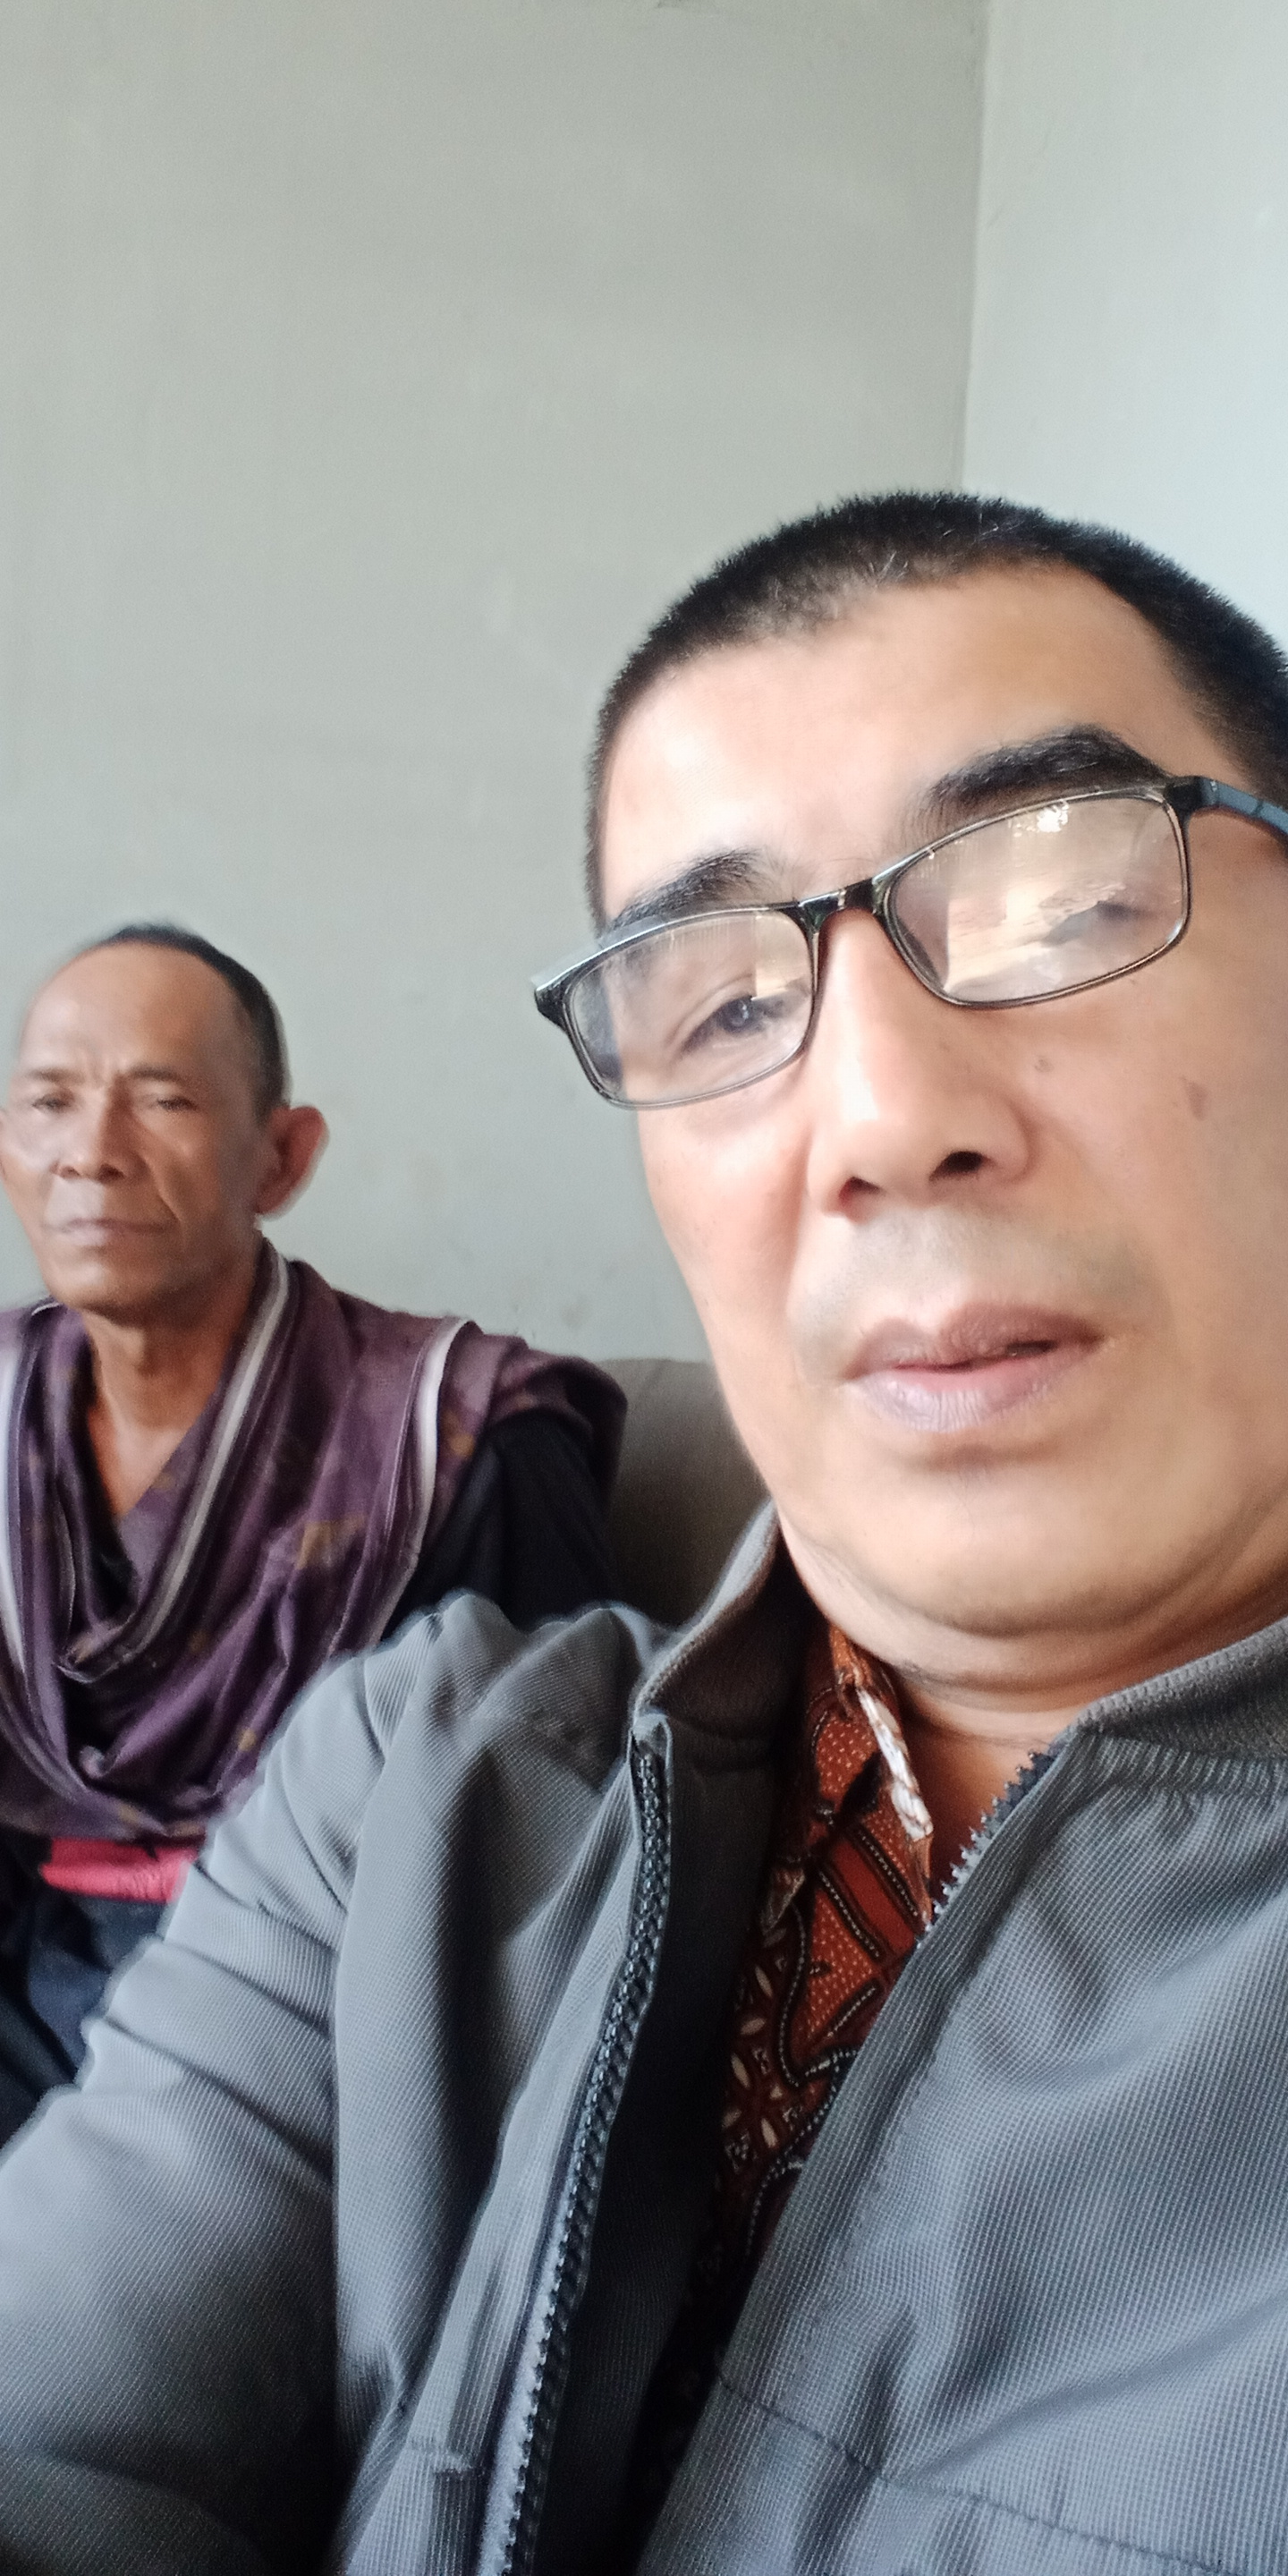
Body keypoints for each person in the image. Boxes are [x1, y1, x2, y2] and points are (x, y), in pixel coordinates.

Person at [2, 494, 1288, 2576]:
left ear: (282, 1150)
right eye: (715, 1003)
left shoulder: (452, 1432)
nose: (883, 1117)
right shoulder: (424, 1803)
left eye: (1062, 900)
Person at [0, 923, 622, 2139]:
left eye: (163, 1100)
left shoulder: (453, 1445)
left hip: (304, 2023)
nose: (93, 1154)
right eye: (50, 1103)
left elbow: (543, 1868)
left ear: (280, 1159)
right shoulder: (7, 1412)